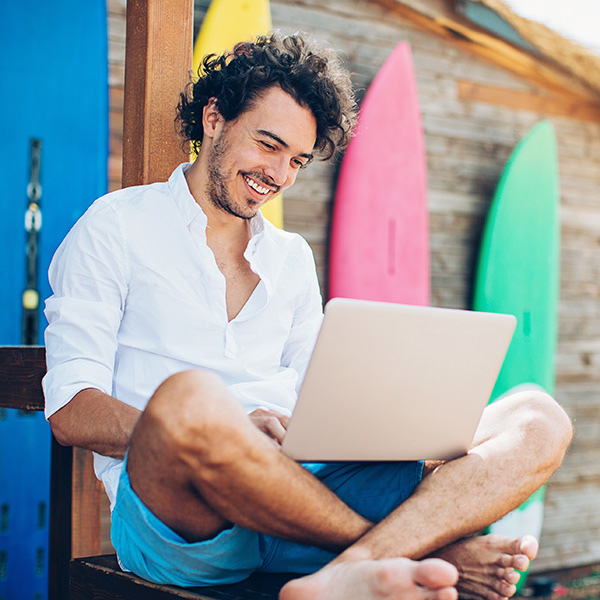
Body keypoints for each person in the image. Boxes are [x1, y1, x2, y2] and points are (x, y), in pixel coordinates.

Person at [43, 32, 572, 600]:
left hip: (301, 490)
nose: (280, 175)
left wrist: (395, 421)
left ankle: (355, 565)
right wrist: (219, 429)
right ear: (215, 118)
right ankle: (407, 549)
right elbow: (71, 410)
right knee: (192, 399)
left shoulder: (290, 257)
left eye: (297, 159)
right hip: (186, 519)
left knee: (538, 417)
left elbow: (318, 396)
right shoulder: (116, 226)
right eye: (268, 145)